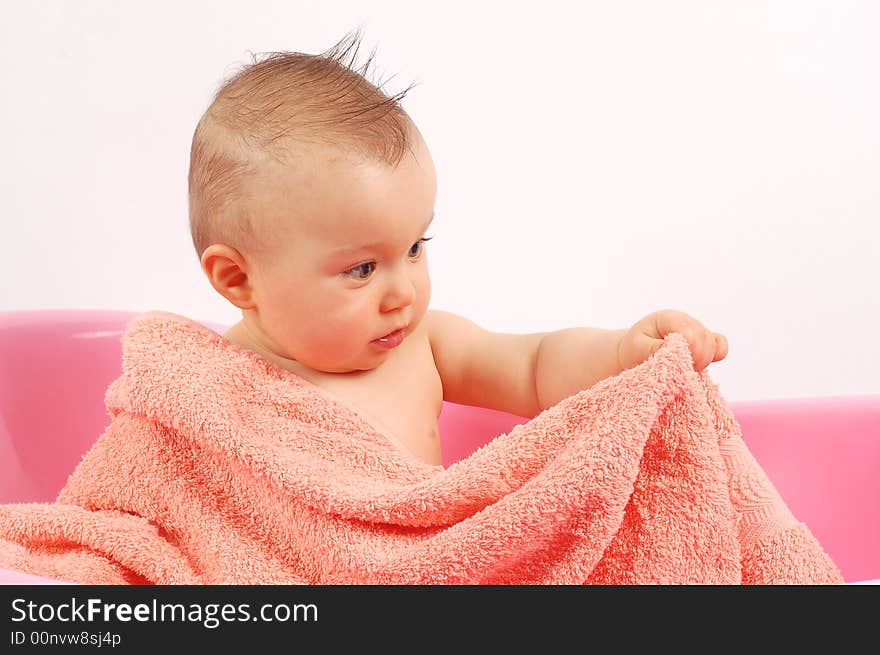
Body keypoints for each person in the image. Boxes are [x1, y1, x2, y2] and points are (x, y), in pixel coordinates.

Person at [189, 32, 728, 467]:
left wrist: (621, 354)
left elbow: (532, 366)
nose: (402, 292)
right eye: (362, 268)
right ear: (238, 279)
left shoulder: (424, 346)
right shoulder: (207, 398)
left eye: (416, 248)